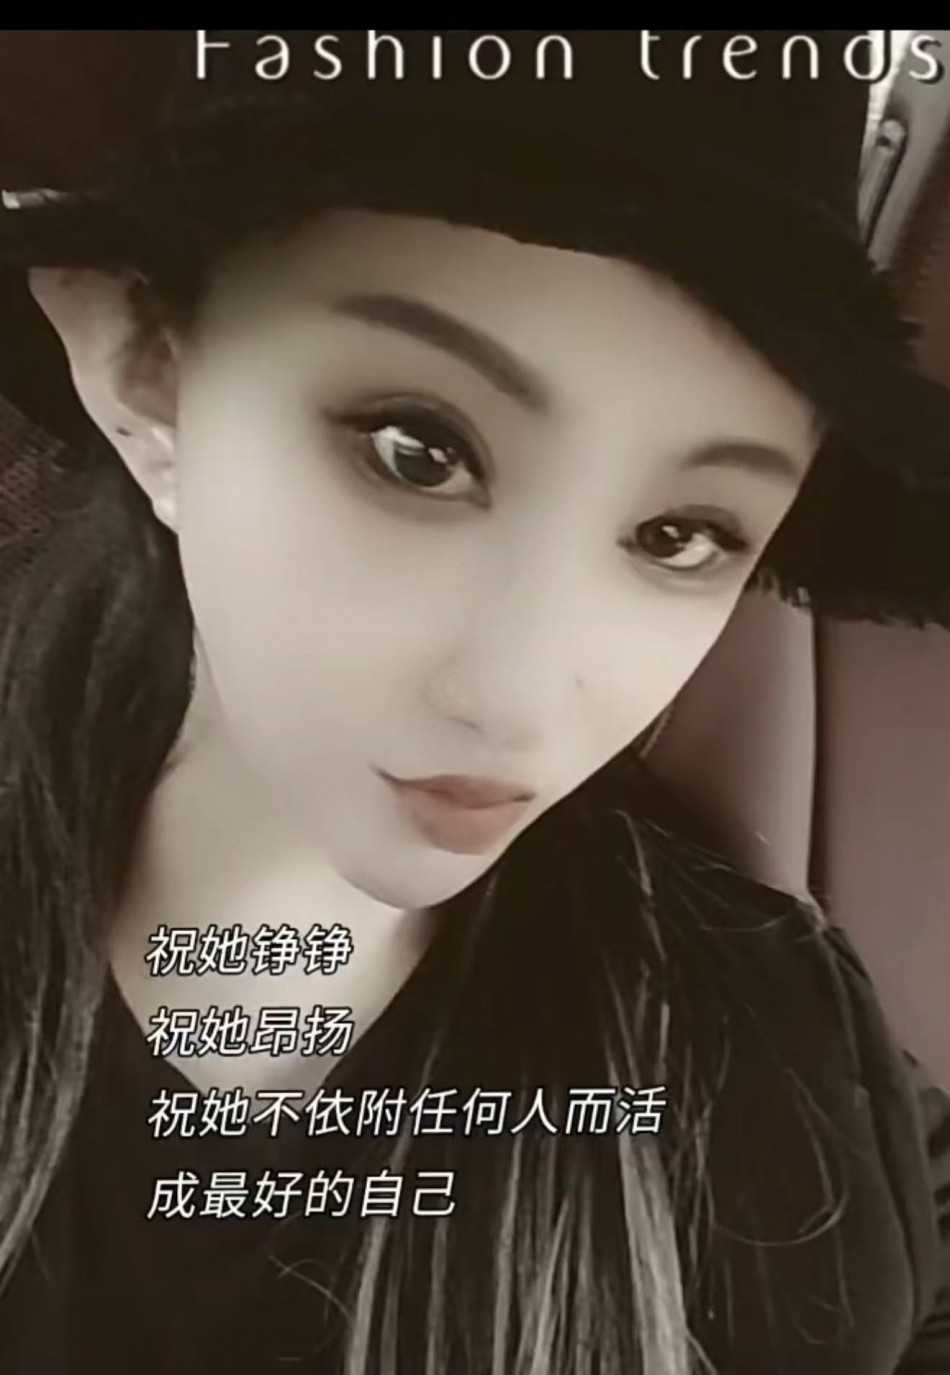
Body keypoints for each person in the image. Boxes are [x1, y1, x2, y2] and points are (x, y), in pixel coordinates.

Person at [0, 28, 948, 1375]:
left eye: (682, 535)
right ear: (145, 371)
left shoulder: (768, 1044)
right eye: (417, 451)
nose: (518, 705)